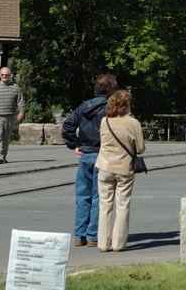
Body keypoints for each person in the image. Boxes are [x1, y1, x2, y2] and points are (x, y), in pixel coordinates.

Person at [61, 74, 117, 247]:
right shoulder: (110, 107)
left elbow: (67, 127)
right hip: (102, 154)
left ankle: (79, 235)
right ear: (108, 90)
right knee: (99, 196)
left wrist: (75, 144)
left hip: (85, 154)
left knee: (82, 195)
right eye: (115, 88)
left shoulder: (84, 106)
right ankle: (93, 235)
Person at [95, 89, 145, 253]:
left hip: (105, 166)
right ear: (126, 106)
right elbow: (140, 148)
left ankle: (103, 242)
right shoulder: (133, 123)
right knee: (122, 206)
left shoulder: (104, 121)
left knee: (105, 205)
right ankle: (118, 243)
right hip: (124, 168)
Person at [0, 66, 24, 164]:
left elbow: (20, 101)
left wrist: (21, 112)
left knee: (6, 138)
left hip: (10, 116)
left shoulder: (15, 87)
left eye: (6, 75)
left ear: (9, 76)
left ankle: (3, 156)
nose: (4, 76)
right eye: (2, 75)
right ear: (0, 75)